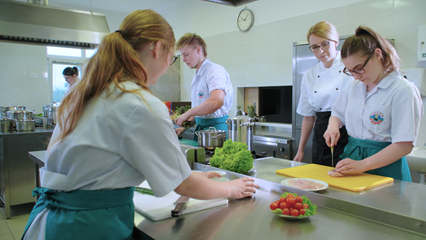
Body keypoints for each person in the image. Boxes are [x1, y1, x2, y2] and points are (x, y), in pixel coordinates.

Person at [22, 10, 259, 240]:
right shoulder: (139, 103)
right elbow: (183, 184)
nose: (169, 66)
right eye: (172, 57)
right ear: (157, 48)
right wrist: (231, 189)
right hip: (88, 226)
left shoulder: (83, 93)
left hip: (48, 221)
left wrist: (184, 174)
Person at [324, 26, 424, 181]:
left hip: (386, 165)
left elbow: (404, 144)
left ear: (378, 54)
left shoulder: (402, 90)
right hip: (353, 159)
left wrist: (364, 165)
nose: (356, 76)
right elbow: (337, 113)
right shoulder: (354, 86)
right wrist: (333, 126)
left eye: (359, 68)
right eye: (350, 71)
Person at [293, 21, 353, 166]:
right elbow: (308, 117)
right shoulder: (310, 76)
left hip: (349, 132)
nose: (320, 51)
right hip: (321, 134)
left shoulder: (351, 67)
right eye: (315, 47)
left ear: (336, 42)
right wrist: (300, 150)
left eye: (325, 44)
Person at [174, 33, 233, 140]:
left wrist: (188, 113)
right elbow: (202, 109)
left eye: (186, 54)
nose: (183, 59)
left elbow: (216, 101)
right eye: (182, 55)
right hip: (202, 131)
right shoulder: (198, 74)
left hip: (216, 131)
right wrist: (185, 126)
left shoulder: (214, 71)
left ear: (198, 50)